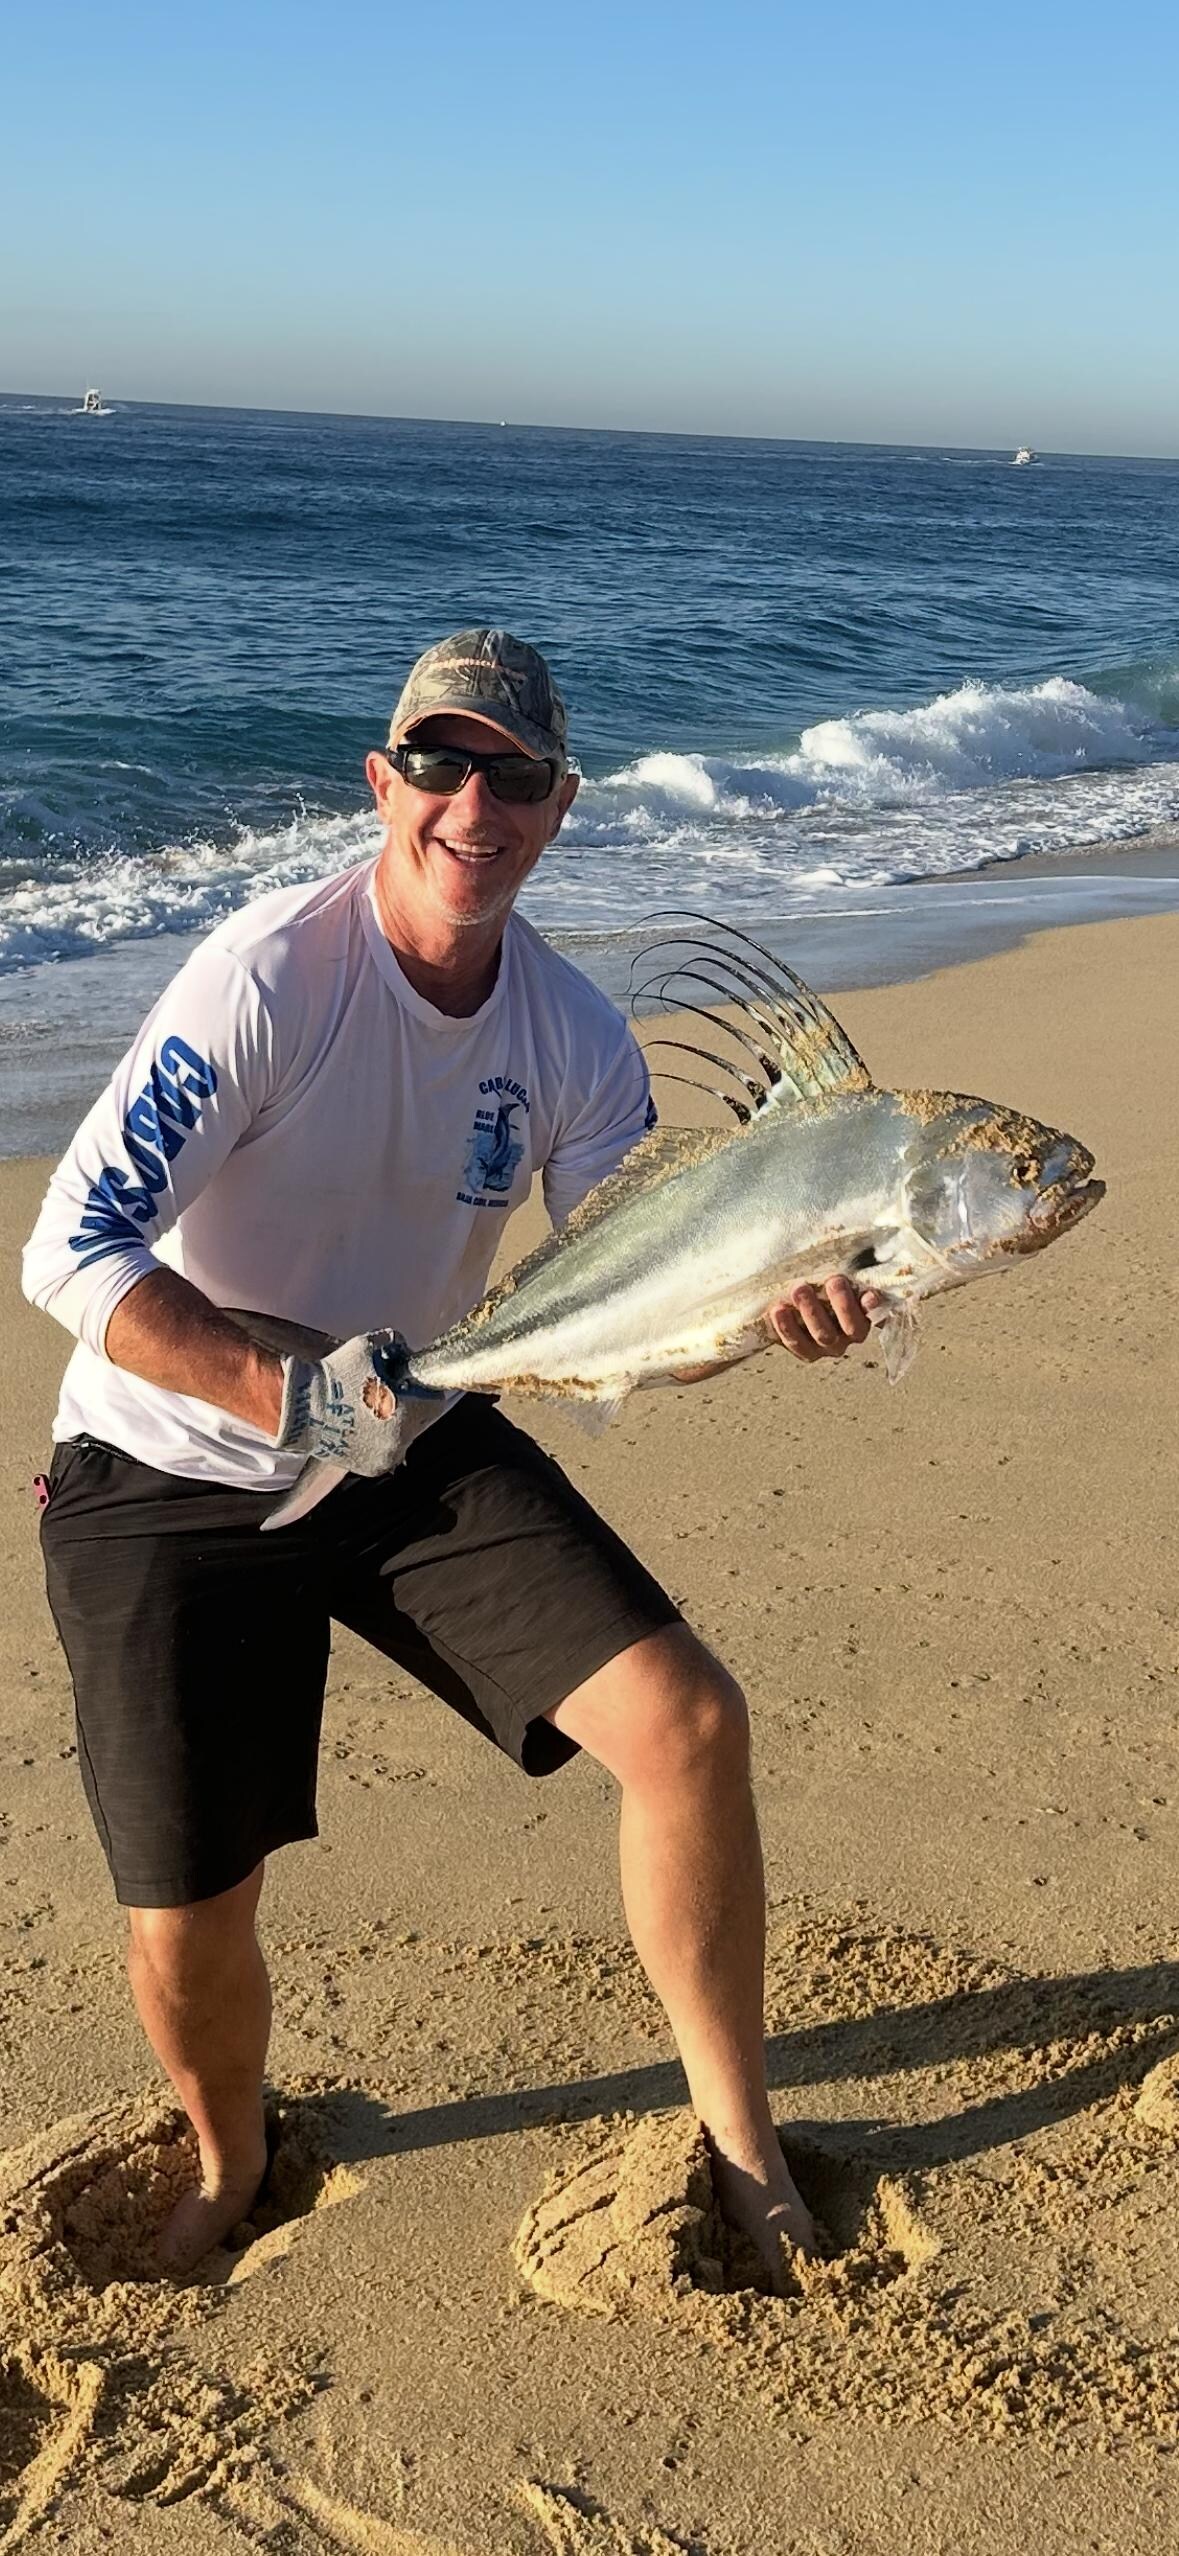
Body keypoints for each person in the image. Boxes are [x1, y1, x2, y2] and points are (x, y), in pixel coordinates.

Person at [23, 629, 876, 2281]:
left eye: (517, 775)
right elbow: (70, 1249)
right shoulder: (268, 976)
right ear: (382, 783)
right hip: (168, 1460)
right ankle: (228, 2151)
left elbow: (631, 1290)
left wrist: (775, 1299)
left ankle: (743, 2140)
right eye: (440, 763)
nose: (473, 803)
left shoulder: (573, 1040)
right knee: (189, 1901)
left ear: (559, 810)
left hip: (419, 1414)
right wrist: (284, 1397)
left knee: (689, 1724)